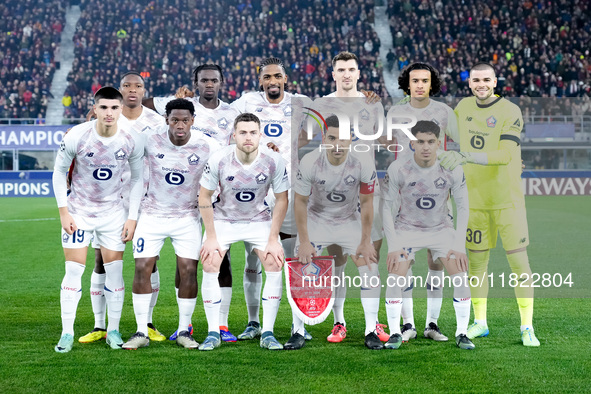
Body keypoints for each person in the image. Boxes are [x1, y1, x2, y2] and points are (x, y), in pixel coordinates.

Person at [439, 62, 539, 347]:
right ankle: (480, 322)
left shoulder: (510, 111)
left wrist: (466, 156)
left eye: (486, 80)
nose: (480, 84)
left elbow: (507, 154)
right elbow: (440, 127)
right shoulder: (463, 108)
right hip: (474, 202)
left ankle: (527, 327)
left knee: (520, 264)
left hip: (507, 202)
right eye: (475, 80)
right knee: (477, 267)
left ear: (495, 82)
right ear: (469, 83)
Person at [145, 64, 240, 342]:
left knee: (221, 258)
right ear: (195, 83)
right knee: (183, 261)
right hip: (183, 197)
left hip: (217, 192)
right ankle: (183, 323)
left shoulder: (232, 112)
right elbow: (142, 102)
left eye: (214, 80)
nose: (209, 84)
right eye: (203, 80)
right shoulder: (183, 105)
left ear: (222, 82)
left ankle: (221, 323)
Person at [122, 98, 220, 350]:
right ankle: (141, 331)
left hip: (187, 217)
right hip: (152, 214)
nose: (180, 124)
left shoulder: (207, 145)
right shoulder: (150, 138)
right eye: (174, 119)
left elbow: (228, 159)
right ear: (166, 119)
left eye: (185, 120)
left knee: (188, 270)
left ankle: (184, 330)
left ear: (192, 121)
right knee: (142, 267)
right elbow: (122, 139)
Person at [52, 87, 144, 352]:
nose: (109, 113)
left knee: (114, 272)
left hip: (114, 214)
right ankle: (66, 333)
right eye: (103, 107)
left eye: (114, 108)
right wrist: (64, 212)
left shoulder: (131, 139)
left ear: (121, 110)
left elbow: (137, 179)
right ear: (94, 108)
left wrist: (132, 218)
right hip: (79, 213)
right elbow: (58, 173)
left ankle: (112, 331)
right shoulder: (77, 135)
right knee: (73, 270)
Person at [305, 51, 388, 342]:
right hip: (331, 191)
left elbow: (386, 140)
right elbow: (305, 138)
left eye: (351, 69)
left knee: (369, 257)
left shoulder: (371, 104)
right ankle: (339, 322)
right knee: (337, 260)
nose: (346, 74)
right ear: (333, 74)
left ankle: (373, 323)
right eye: (341, 69)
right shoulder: (320, 104)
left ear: (358, 73)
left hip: (366, 188)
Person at [78, 72, 167, 345]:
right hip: (109, 202)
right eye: (127, 86)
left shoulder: (155, 121)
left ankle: (148, 323)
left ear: (144, 91)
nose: (132, 90)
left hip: (144, 202)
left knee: (149, 261)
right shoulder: (103, 120)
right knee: (101, 260)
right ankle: (99, 325)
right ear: (119, 91)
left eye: (137, 86)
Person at [229, 57, 312, 341]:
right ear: (260, 79)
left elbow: (339, 109)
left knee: (294, 257)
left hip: (292, 191)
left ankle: (297, 324)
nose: (272, 81)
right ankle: (254, 322)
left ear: (285, 79)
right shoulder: (246, 102)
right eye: (267, 77)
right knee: (254, 261)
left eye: (277, 76)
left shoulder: (302, 101)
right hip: (259, 193)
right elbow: (218, 120)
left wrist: (367, 98)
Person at [285, 115, 380, 350]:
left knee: (369, 267)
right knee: (302, 269)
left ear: (351, 140)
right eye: (332, 138)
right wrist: (304, 241)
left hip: (348, 220)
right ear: (323, 138)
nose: (337, 144)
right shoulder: (310, 162)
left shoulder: (363, 162)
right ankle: (297, 330)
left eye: (343, 139)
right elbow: (300, 202)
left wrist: (366, 241)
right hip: (317, 220)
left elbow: (367, 203)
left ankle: (371, 330)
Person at [198, 112, 289, 350]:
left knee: (273, 261)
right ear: (233, 135)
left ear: (260, 135)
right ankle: (213, 332)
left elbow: (282, 199)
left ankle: (267, 332)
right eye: (242, 133)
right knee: (210, 262)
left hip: (258, 220)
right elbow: (204, 196)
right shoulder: (219, 158)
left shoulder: (274, 161)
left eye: (252, 133)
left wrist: (272, 239)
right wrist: (211, 237)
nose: (248, 137)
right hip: (223, 219)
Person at [381, 120, 474, 350]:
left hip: (441, 229)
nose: (426, 147)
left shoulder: (451, 167)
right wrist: (393, 245)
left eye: (431, 142)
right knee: (395, 276)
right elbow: (386, 207)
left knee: (460, 274)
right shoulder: (398, 168)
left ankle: (455, 331)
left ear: (439, 143)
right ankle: (399, 330)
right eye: (420, 141)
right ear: (412, 143)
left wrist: (459, 245)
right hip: (406, 229)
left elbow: (463, 207)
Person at [390, 62, 460, 343]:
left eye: (425, 80)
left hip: (438, 194)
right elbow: (386, 143)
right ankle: (408, 324)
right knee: (404, 260)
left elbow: (463, 143)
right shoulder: (395, 112)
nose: (420, 85)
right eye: (415, 80)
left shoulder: (444, 112)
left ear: (433, 84)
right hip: (403, 196)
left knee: (437, 260)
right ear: (407, 83)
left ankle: (432, 323)